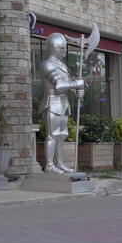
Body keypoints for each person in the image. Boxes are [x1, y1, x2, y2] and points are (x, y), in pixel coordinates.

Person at [40, 33, 85, 173]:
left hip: (64, 104)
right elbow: (59, 86)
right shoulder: (47, 64)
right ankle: (49, 165)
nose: (64, 51)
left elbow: (68, 86)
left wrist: (77, 92)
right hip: (52, 103)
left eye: (65, 48)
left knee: (62, 135)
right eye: (61, 48)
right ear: (53, 48)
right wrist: (76, 84)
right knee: (52, 135)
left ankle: (59, 163)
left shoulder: (62, 66)